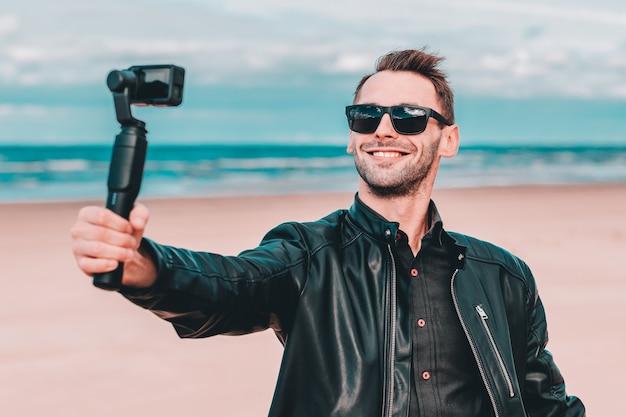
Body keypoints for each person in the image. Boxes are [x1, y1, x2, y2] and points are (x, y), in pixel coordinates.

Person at [71, 48, 586, 417]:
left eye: (408, 117)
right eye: (366, 116)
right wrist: (144, 267)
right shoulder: (308, 253)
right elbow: (231, 286)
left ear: (447, 139)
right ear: (351, 139)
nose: (383, 129)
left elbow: (544, 403)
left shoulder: (502, 276)